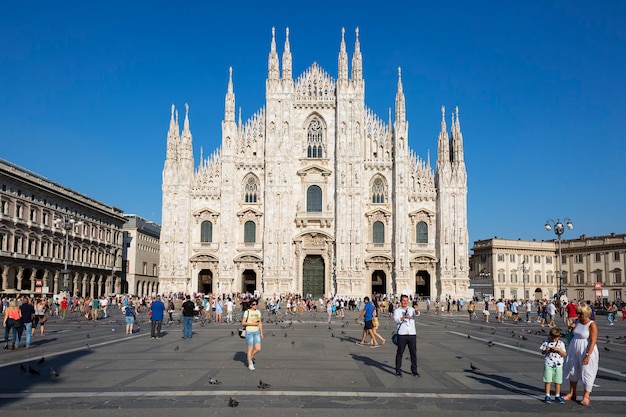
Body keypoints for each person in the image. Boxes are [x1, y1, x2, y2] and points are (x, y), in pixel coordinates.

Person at [562, 304, 599, 406]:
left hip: (585, 349)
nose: (578, 315)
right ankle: (572, 392)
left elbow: (593, 341)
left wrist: (588, 355)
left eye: (580, 313)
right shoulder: (577, 322)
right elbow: (575, 333)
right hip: (574, 348)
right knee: (572, 369)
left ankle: (586, 396)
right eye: (577, 313)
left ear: (586, 313)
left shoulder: (592, 324)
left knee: (587, 371)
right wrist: (571, 328)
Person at [393, 294, 419, 377]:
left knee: (413, 353)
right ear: (400, 301)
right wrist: (404, 317)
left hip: (412, 333)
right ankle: (398, 370)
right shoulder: (397, 311)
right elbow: (397, 320)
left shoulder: (411, 309)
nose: (405, 302)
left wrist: (417, 310)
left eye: (406, 301)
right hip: (402, 334)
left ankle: (414, 370)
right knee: (400, 352)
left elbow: (417, 314)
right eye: (403, 301)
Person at [539, 327, 567, 404]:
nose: (554, 340)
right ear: (550, 336)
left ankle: (557, 395)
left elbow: (564, 354)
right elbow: (542, 352)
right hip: (548, 364)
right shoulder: (546, 342)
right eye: (552, 337)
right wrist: (546, 350)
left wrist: (558, 349)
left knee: (558, 381)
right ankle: (547, 395)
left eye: (556, 338)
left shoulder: (561, 343)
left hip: (558, 365)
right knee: (547, 380)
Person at [241, 299, 264, 371]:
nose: (255, 305)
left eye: (256, 304)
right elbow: (243, 323)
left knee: (258, 349)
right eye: (254, 304)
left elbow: (260, 323)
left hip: (256, 332)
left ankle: (249, 358)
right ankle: (250, 363)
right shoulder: (247, 312)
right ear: (250, 305)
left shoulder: (258, 312)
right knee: (250, 349)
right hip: (249, 332)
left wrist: (261, 332)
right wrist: (252, 324)